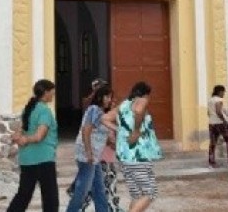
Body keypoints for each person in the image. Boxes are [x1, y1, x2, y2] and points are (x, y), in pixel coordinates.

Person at [8, 79, 59, 212]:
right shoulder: (45, 111)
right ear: (46, 92)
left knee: (23, 196)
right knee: (50, 199)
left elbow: (22, 129)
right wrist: (25, 139)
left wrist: (19, 137)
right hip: (43, 159)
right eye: (52, 92)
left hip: (27, 159)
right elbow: (39, 136)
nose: (53, 95)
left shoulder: (29, 108)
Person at [116, 81, 162, 212]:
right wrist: (136, 130)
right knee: (150, 193)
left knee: (136, 195)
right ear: (145, 94)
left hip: (125, 155)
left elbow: (105, 118)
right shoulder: (141, 100)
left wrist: (120, 132)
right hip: (138, 155)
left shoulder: (123, 105)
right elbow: (139, 109)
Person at [67, 85, 115, 212]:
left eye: (111, 97)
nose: (109, 100)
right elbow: (86, 130)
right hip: (87, 155)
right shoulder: (94, 109)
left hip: (95, 157)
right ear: (100, 97)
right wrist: (88, 152)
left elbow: (102, 135)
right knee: (82, 190)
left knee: (99, 188)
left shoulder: (101, 113)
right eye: (107, 97)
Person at [207, 84, 228, 168]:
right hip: (220, 123)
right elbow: (219, 111)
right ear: (220, 92)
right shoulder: (219, 100)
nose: (224, 94)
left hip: (212, 123)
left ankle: (211, 162)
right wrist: (224, 120)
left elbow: (208, 113)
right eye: (223, 92)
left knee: (213, 143)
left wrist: (213, 118)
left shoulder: (210, 100)